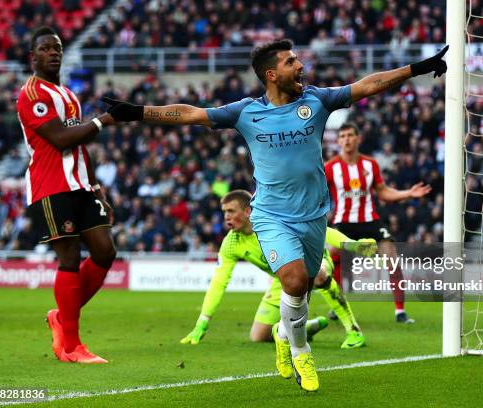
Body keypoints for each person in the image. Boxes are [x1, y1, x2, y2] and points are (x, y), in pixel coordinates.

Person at [103, 39, 448, 391]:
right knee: (295, 280)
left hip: (314, 216)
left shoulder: (317, 100)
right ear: (271, 74)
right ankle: (301, 351)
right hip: (270, 215)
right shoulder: (245, 111)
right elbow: (191, 113)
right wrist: (138, 111)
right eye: (290, 61)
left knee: (304, 289)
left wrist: (416, 68)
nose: (300, 66)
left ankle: (285, 334)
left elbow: (367, 85)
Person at [16, 27, 116, 364]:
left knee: (105, 251)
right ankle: (71, 346)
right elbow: (60, 139)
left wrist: (97, 188)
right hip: (50, 185)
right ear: (34, 56)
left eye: (57, 47)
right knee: (69, 258)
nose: (53, 53)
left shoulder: (68, 95)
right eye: (45, 48)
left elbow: (78, 144)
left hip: (80, 185)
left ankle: (61, 316)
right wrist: (103, 121)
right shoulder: (31, 94)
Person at [181, 190, 375, 349]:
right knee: (258, 336)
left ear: (248, 211)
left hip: (312, 261)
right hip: (283, 278)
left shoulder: (272, 223)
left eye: (231, 211)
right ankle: (303, 329)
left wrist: (353, 246)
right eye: (224, 212)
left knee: (317, 274)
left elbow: (322, 231)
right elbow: (219, 282)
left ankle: (354, 331)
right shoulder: (231, 243)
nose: (226, 217)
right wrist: (202, 323)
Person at [325, 123, 432, 324]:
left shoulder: (370, 164)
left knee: (392, 259)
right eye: (342, 136)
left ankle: (400, 312)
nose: (346, 139)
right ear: (338, 141)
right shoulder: (330, 168)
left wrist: (407, 194)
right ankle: (337, 306)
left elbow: (383, 192)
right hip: (343, 222)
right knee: (331, 262)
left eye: (350, 135)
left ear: (358, 139)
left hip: (370, 220)